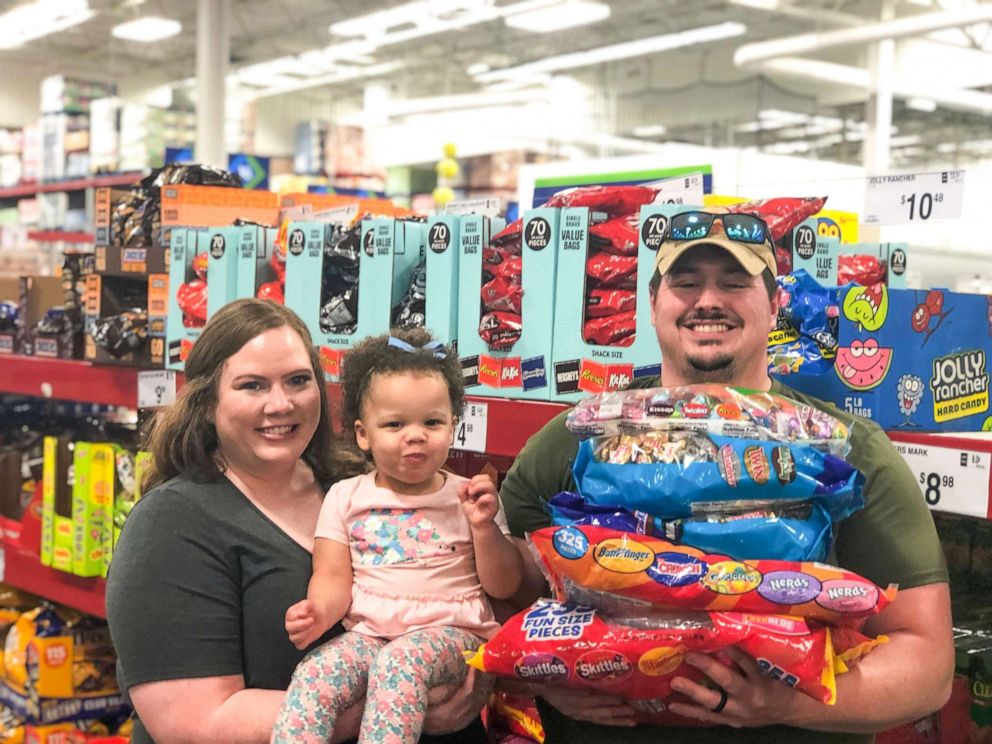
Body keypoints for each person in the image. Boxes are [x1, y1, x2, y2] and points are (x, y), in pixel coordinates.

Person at [499, 210, 954, 743]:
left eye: (734, 283)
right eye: (685, 283)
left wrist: (789, 704)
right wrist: (544, 673)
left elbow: (928, 666)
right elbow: (499, 588)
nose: (707, 301)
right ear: (652, 305)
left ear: (775, 304)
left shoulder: (849, 449)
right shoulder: (579, 435)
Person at [106, 299, 489, 744]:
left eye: (298, 380)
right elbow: (196, 723)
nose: (281, 403)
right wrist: (408, 701)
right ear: (208, 402)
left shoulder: (360, 484)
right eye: (252, 386)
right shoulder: (171, 524)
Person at [272, 328, 523, 744]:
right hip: (369, 633)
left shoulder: (470, 497)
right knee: (316, 674)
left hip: (453, 633)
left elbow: (504, 584)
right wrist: (318, 611)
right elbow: (334, 576)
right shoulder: (345, 497)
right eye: (394, 423)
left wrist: (483, 527)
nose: (415, 434)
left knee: (400, 663)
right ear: (362, 434)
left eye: (432, 421)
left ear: (453, 426)